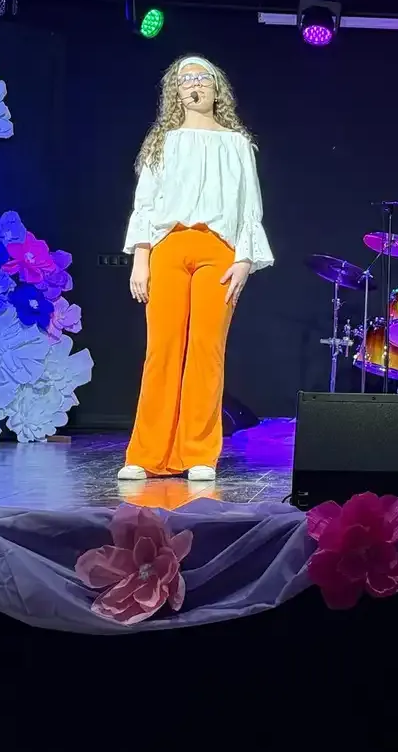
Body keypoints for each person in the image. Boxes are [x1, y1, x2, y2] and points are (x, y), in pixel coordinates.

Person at [118, 55, 273, 481]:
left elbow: (250, 206)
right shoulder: (162, 142)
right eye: (185, 79)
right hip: (169, 247)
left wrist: (245, 259)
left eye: (202, 78)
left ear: (216, 87)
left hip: (218, 250)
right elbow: (145, 203)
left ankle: (199, 453)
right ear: (175, 91)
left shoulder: (237, 144)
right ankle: (146, 454)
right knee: (162, 349)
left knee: (207, 349)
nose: (194, 84)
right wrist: (141, 258)